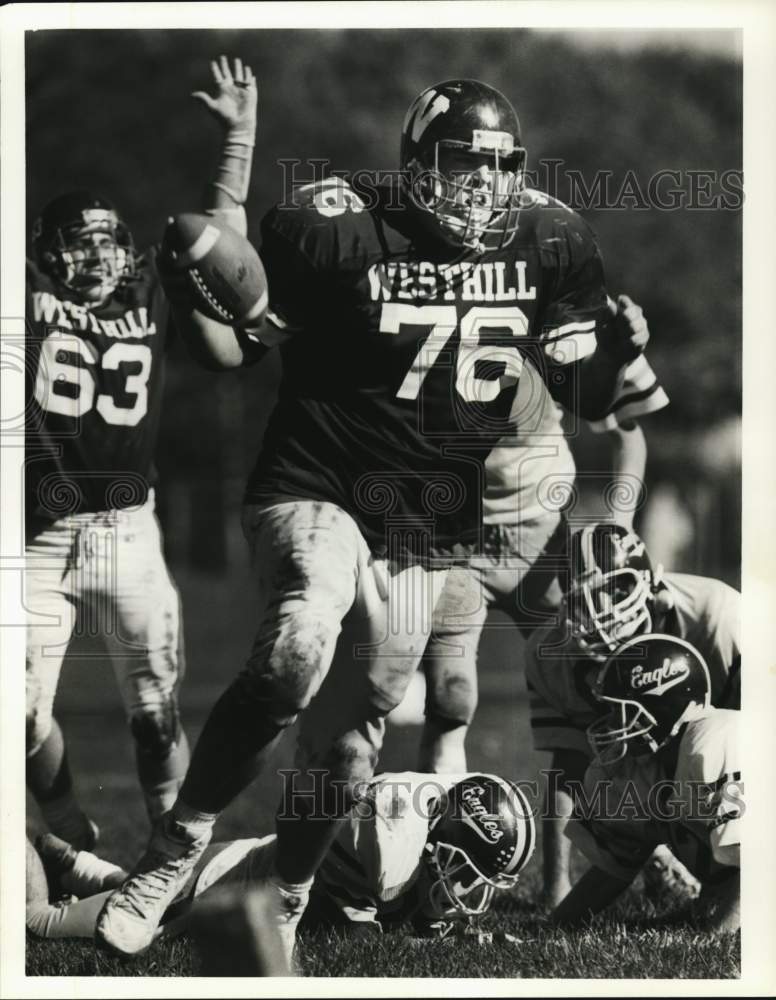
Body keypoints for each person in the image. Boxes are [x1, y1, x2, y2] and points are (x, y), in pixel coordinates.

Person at [96, 74, 649, 959]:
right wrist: (192, 289)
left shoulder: (553, 238)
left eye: (501, 168)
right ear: (418, 161)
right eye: (464, 165)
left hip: (424, 522)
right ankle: (176, 847)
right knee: (294, 650)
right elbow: (235, 349)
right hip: (315, 484)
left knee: (349, 749)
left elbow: (587, 393)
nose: (483, 186)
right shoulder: (337, 224)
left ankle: (288, 895)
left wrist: (615, 349)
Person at [418, 312, 668, 774]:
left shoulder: (562, 292)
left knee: (591, 702)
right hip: (454, 541)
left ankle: (615, 838)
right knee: (449, 699)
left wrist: (619, 526)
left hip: (541, 540)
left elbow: (627, 436)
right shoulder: (427, 294)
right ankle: (442, 835)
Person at [28, 772, 535, 941]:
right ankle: (19, 840)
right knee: (50, 923)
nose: (472, 894)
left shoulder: (418, 834)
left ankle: (58, 854)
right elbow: (355, 935)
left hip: (240, 869)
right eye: (468, 876)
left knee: (130, 893)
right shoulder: (387, 849)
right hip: (224, 883)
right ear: (434, 848)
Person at [524, 522, 740, 905]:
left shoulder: (719, 617)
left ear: (648, 582)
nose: (599, 612)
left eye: (613, 590)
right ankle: (660, 860)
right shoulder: (553, 658)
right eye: (582, 600)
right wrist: (555, 889)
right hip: (666, 778)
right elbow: (569, 768)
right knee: (620, 771)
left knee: (720, 750)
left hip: (736, 765)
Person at [550, 635, 741, 933]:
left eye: (621, 711)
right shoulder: (642, 765)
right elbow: (613, 866)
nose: (613, 724)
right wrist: (554, 927)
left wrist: (715, 936)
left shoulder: (714, 742)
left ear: (662, 704)